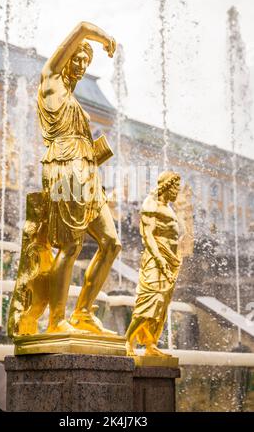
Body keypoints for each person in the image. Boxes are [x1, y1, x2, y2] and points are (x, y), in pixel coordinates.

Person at [38, 22, 121, 335]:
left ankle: (83, 313)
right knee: (71, 246)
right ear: (65, 58)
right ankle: (56, 321)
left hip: (88, 172)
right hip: (63, 168)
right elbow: (81, 27)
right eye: (78, 59)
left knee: (111, 243)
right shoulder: (50, 80)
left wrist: (96, 152)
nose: (82, 67)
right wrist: (104, 38)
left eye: (87, 62)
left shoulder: (74, 99)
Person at [126, 171, 182, 356]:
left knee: (162, 305)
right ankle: (128, 341)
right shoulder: (151, 204)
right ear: (166, 186)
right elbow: (147, 235)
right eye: (175, 187)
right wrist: (159, 260)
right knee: (150, 300)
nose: (177, 192)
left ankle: (150, 343)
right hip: (156, 258)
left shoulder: (169, 207)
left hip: (170, 260)